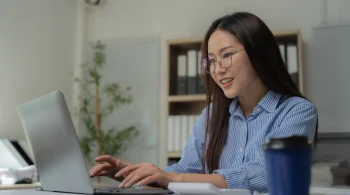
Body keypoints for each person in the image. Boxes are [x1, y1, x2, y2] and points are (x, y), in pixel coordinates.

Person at [88, 12, 318, 193]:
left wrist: (173, 178)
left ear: (258, 53)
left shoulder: (296, 111)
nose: (218, 70)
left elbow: (266, 174)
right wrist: (136, 175)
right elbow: (186, 169)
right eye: (212, 61)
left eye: (227, 55)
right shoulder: (211, 115)